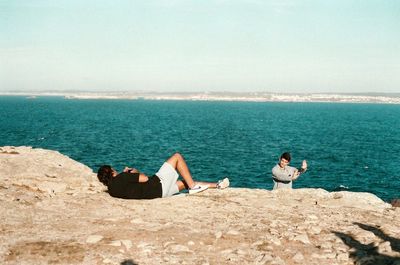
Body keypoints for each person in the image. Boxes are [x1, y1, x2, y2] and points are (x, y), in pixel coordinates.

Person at [97, 152, 230, 199]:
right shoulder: (122, 176)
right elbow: (145, 179)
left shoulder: (112, 191)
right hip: (157, 185)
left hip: (159, 194)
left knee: (185, 183)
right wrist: (133, 172)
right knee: (177, 157)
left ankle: (217, 185)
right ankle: (194, 186)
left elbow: (132, 189)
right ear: (112, 172)